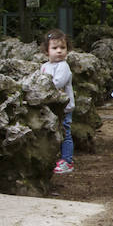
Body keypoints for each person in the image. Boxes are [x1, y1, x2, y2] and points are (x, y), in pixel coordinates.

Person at [40, 29, 75, 175]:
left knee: (66, 133)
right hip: (51, 107)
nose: (59, 51)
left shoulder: (63, 66)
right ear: (47, 50)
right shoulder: (45, 66)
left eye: (63, 47)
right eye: (55, 48)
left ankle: (67, 160)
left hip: (64, 107)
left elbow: (57, 83)